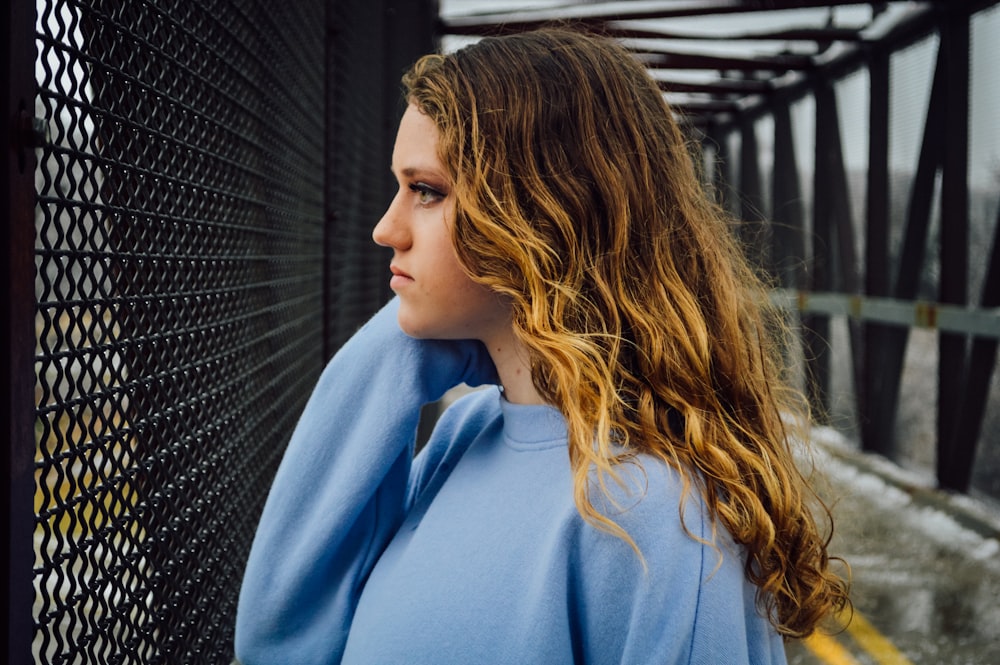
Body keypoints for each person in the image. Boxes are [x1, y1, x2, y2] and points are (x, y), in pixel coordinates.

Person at [233, 27, 850, 664]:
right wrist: (397, 356)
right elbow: (285, 642)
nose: (386, 229)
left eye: (427, 191)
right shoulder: (467, 433)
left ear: (545, 213)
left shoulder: (659, 516)